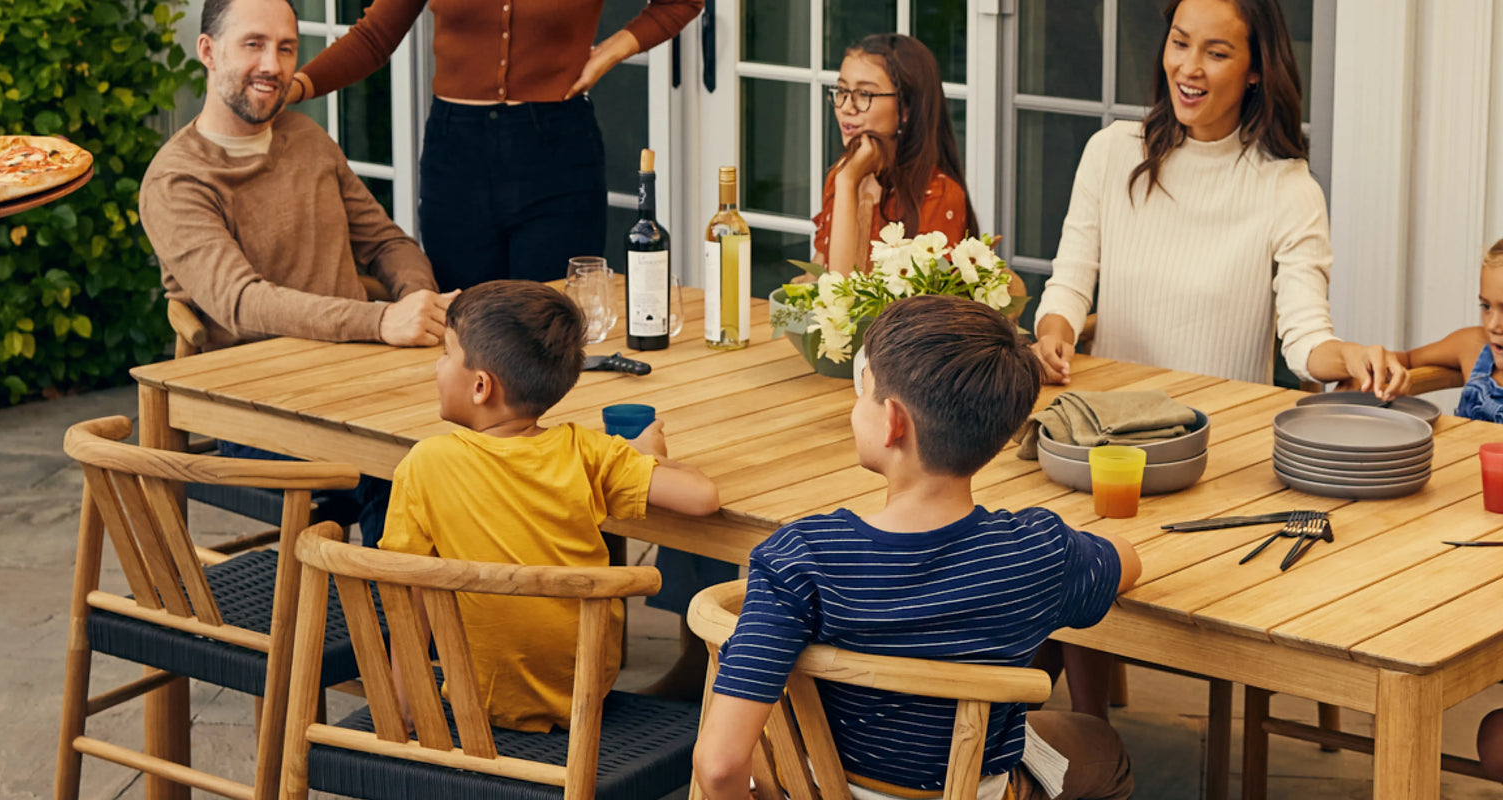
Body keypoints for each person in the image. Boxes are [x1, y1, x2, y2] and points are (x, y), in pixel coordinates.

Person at [693, 295, 1139, 800]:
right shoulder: (1035, 551)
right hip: (972, 790)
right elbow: (1126, 561)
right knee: (1101, 746)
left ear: (892, 422)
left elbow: (719, 764)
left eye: (862, 394)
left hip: (824, 788)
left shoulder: (800, 559)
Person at [141, 0, 455, 548]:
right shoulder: (178, 180)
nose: (273, 64)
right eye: (253, 44)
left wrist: (419, 301)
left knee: (494, 435)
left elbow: (385, 242)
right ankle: (397, 628)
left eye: (286, 48)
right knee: (418, 465)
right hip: (260, 409)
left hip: (357, 382)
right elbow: (243, 303)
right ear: (208, 52)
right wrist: (381, 320)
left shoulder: (307, 140)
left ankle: (487, 619)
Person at [378, 280, 720, 732]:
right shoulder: (586, 452)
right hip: (585, 696)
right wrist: (644, 457)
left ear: (481, 386)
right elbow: (702, 497)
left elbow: (407, 595)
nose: (438, 366)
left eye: (445, 354)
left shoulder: (425, 465)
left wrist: (405, 708)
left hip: (473, 701)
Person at [1030, 0, 1407, 399]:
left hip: (1224, 432)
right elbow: (1069, 284)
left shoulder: (1290, 190)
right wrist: (1054, 335)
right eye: (1180, 43)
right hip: (1109, 423)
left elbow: (1305, 338)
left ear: (1255, 71)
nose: (1189, 68)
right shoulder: (1110, 153)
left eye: (1216, 53)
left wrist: (1352, 355)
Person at [285, 0, 703, 289]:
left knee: (549, 329)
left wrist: (612, 50)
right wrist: (297, 87)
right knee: (467, 325)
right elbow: (375, 36)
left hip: (557, 150)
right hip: (456, 155)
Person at [815, 34, 974, 276]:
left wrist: (847, 183)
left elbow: (841, 293)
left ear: (907, 107)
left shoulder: (940, 194)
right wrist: (846, 181)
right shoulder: (844, 172)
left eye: (864, 94)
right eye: (842, 91)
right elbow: (819, 279)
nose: (846, 107)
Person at [1394, 239, 1503, 420]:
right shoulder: (1472, 346)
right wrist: (1365, 374)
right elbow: (1409, 360)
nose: (1492, 325)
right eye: (1486, 306)